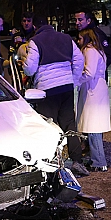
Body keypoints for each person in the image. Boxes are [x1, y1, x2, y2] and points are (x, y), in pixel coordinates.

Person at [21, 12, 89, 176]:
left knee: (47, 125)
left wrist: (24, 65)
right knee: (69, 124)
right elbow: (79, 60)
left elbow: (30, 69)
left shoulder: (35, 41)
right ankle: (77, 161)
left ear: (36, 26)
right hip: (66, 87)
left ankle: (49, 163)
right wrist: (72, 79)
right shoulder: (66, 38)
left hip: (47, 89)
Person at [75, 28, 111, 172]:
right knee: (95, 127)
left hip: (93, 90)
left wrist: (76, 80)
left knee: (93, 127)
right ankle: (96, 159)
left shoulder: (89, 50)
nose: (78, 41)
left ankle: (99, 162)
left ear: (86, 38)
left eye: (80, 38)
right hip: (98, 89)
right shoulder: (99, 50)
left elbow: (89, 72)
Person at [75, 9, 111, 81]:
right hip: (86, 78)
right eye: (76, 20)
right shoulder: (81, 34)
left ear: (88, 21)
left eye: (80, 20)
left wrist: (98, 70)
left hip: (96, 80)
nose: (77, 23)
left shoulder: (97, 34)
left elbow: (109, 55)